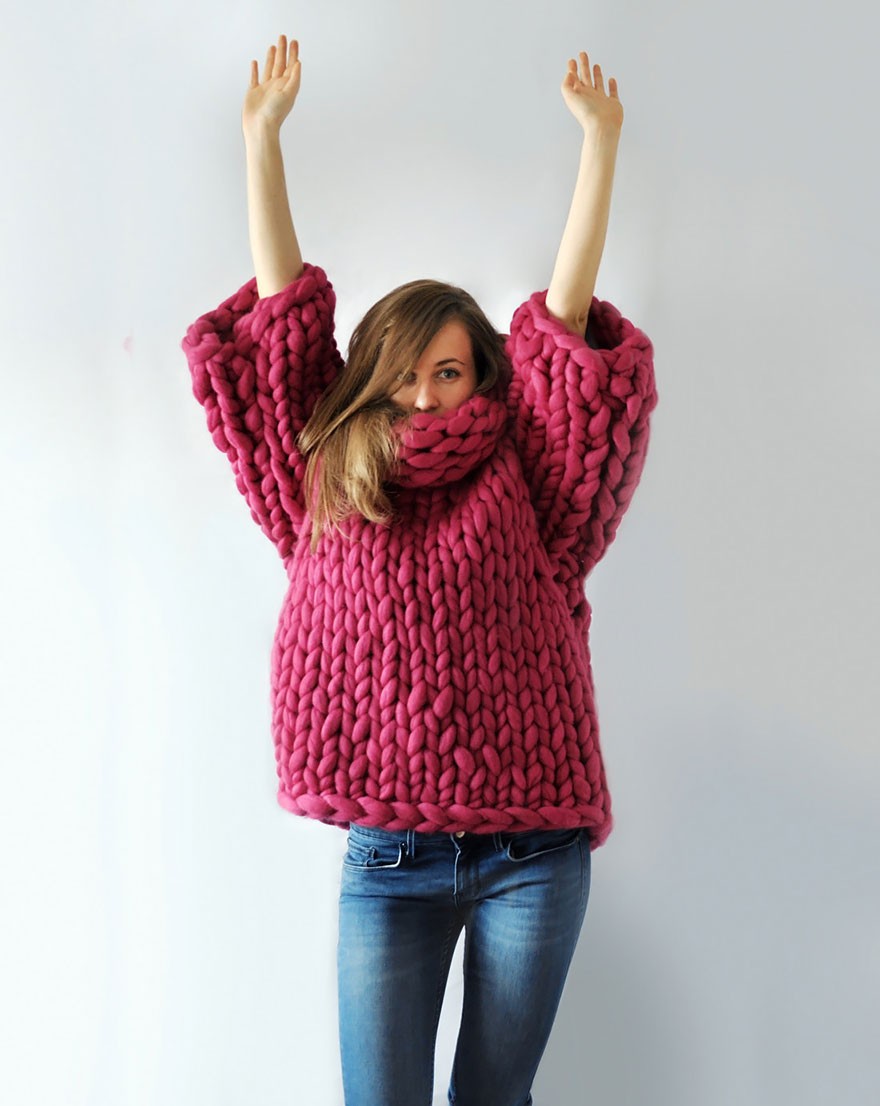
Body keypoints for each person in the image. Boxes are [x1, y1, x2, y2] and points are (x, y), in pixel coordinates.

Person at [180, 34, 658, 1106]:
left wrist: (601, 149)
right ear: (369, 378)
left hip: (534, 855)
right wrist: (262, 142)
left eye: (450, 372)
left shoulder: (533, 482)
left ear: (481, 377)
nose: (428, 396)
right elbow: (280, 337)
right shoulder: (321, 480)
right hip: (388, 861)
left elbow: (567, 343)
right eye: (405, 374)